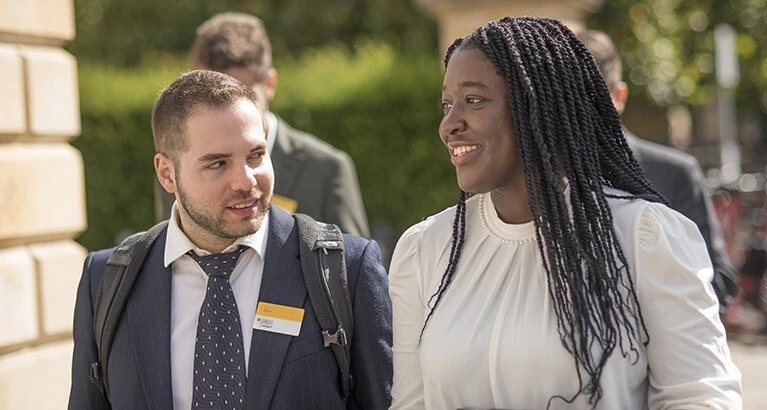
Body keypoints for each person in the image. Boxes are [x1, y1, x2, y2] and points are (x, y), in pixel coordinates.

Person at [388, 17, 741, 409]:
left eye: (473, 100)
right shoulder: (425, 250)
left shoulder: (644, 237)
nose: (449, 123)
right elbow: (410, 404)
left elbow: (700, 397)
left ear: (538, 107)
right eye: (446, 104)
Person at [69, 70, 392, 409]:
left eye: (255, 155)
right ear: (167, 174)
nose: (245, 180)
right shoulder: (106, 279)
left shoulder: (346, 270)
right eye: (218, 164)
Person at [155, 12, 371, 238]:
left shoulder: (327, 168)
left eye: (244, 94)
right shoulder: (180, 164)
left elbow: (352, 265)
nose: (228, 110)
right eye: (209, 97)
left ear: (270, 84)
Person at [578, 29, 739, 312]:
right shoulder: (538, 176)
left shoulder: (675, 172)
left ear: (620, 96)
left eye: (594, 99)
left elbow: (718, 280)